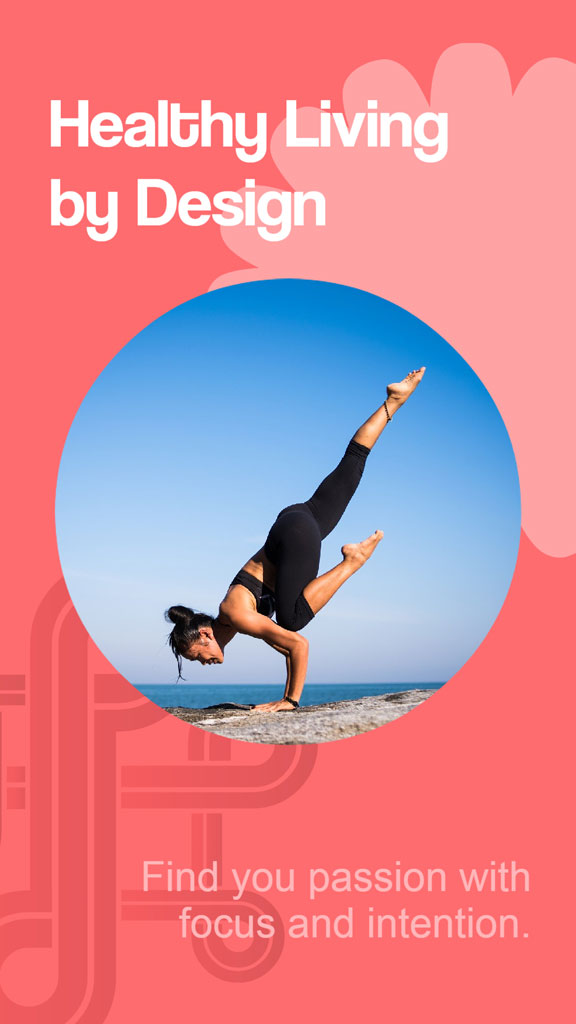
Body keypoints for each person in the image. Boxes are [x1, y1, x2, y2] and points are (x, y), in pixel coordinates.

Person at [165, 368, 425, 712]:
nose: (203, 663)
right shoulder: (232, 618)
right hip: (295, 520)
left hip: (295, 536)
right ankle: (394, 401)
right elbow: (283, 646)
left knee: (292, 619)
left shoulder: (236, 615)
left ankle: (352, 561)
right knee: (352, 464)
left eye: (197, 657)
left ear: (205, 635)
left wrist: (289, 700)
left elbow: (297, 644)